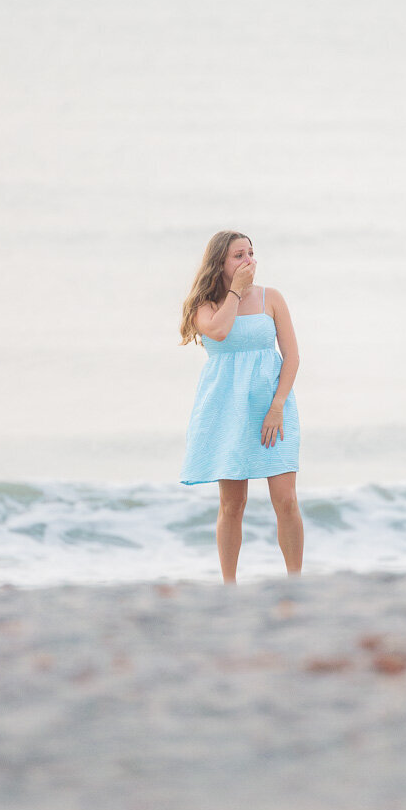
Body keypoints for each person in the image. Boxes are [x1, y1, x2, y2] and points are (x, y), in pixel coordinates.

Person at [179, 230, 303, 583]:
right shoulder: (205, 305)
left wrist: (277, 406)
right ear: (220, 263)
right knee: (232, 505)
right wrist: (235, 290)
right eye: (238, 255)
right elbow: (217, 332)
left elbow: (292, 357)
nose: (249, 260)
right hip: (226, 411)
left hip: (272, 410)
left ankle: (296, 580)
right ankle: (228, 586)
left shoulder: (271, 298)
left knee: (286, 500)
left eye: (251, 253)